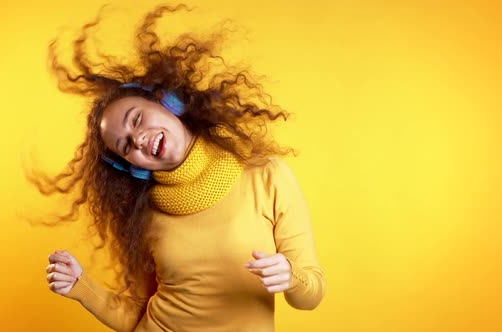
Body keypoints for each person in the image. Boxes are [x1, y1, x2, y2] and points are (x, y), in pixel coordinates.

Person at [32, 4, 326, 332]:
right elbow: (137, 316)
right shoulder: (144, 215)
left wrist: (290, 274)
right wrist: (82, 287)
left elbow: (311, 294)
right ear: (132, 165)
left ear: (167, 101)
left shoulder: (265, 175)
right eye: (126, 146)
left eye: (137, 119)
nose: (139, 139)